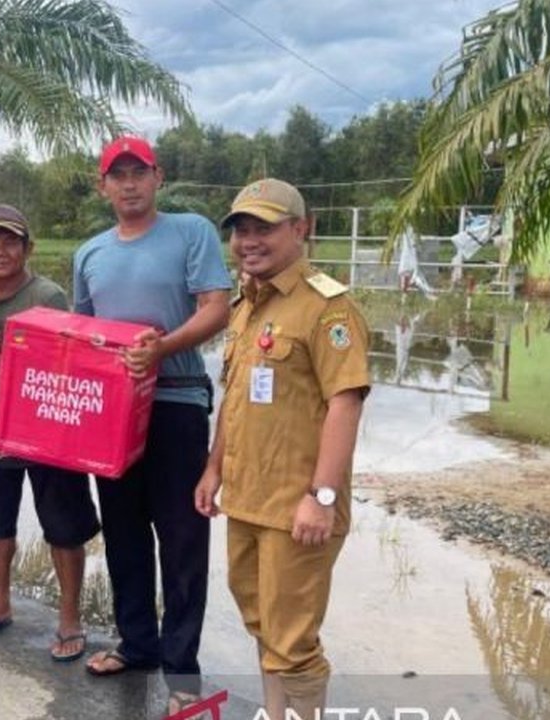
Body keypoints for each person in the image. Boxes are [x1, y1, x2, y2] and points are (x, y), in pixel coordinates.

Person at [195, 178, 370, 719]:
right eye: (241, 230)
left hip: (296, 508)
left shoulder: (328, 309)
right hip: (247, 499)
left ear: (301, 228)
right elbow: (237, 396)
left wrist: (320, 495)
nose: (249, 240)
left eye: (264, 228)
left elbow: (346, 403)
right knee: (264, 624)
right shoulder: (247, 306)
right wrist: (212, 469)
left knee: (292, 640)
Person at [72, 136, 231, 715]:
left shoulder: (192, 231)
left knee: (183, 536)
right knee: (124, 530)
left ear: (158, 177)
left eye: (139, 172)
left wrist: (161, 350)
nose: (129, 183)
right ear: (103, 186)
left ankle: (181, 667)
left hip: (176, 402)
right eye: (118, 175)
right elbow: (82, 336)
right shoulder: (89, 253)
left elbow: (218, 307)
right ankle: (137, 642)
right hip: (111, 411)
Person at [0, 204, 101, 662]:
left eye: (10, 241)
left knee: (63, 526)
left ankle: (69, 618)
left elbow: (57, 372)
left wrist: (1, 405)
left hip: (48, 436)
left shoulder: (49, 297)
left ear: (27, 248)